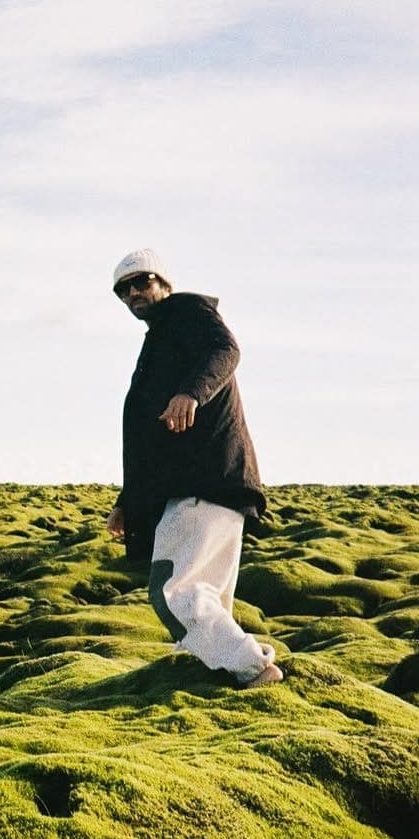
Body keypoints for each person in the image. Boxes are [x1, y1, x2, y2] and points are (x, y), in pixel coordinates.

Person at [106, 248, 283, 688]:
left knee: (174, 591)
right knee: (209, 593)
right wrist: (127, 501)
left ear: (164, 284)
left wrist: (191, 393)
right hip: (217, 481)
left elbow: (225, 349)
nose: (133, 293)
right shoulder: (161, 339)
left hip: (201, 480)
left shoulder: (187, 312)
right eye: (123, 290)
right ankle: (207, 670)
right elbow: (148, 440)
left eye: (141, 281)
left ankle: (252, 666)